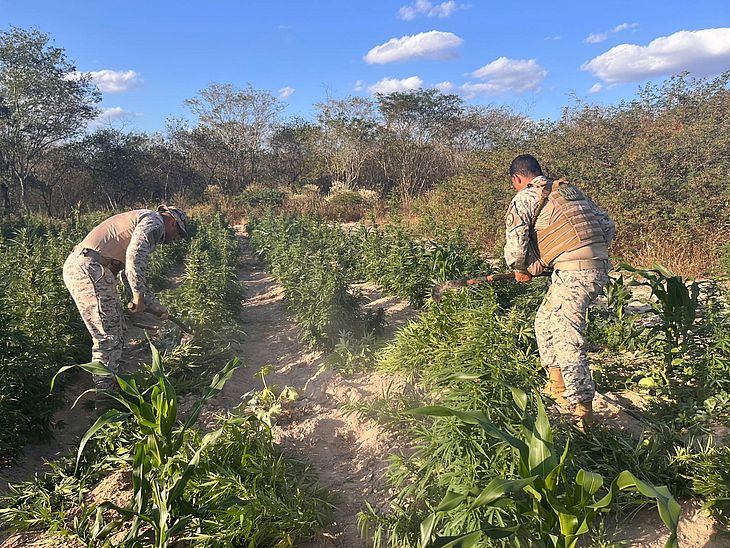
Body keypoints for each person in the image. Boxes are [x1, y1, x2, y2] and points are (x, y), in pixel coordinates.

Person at [500, 154, 615, 429]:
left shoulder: (525, 197)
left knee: (566, 337)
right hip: (594, 265)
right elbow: (607, 225)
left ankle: (583, 413)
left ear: (517, 179)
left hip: (575, 272)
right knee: (544, 320)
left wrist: (520, 268)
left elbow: (517, 243)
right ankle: (556, 387)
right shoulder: (568, 192)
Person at [62, 205, 189, 389]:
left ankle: (112, 381)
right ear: (172, 221)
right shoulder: (154, 221)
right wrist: (138, 296)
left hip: (95, 270)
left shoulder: (146, 221)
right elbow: (134, 257)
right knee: (107, 335)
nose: (176, 239)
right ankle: (105, 397)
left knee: (117, 329)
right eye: (179, 233)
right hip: (89, 269)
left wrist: (153, 306)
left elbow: (126, 274)